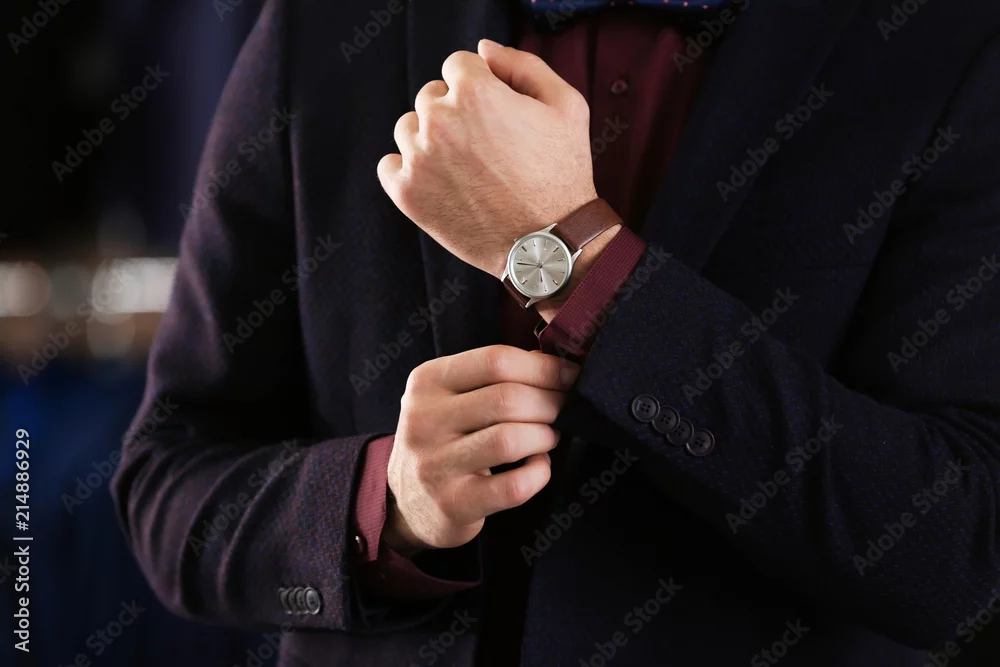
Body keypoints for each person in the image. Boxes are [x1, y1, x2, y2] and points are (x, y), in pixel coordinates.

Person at [111, 0, 1000, 665]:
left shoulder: (953, 39)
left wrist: (576, 263)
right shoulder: (327, 21)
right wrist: (388, 502)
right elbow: (168, 485)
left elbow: (962, 554)